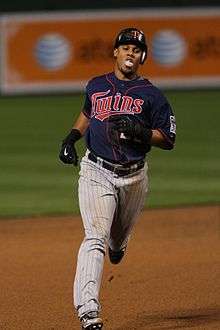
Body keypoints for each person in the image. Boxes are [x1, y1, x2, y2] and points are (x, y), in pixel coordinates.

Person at [59, 27, 176, 330]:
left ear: (143, 57)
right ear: (115, 52)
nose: (130, 53)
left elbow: (168, 137)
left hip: (134, 177)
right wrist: (72, 138)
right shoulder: (97, 84)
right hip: (96, 171)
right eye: (125, 47)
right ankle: (88, 310)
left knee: (116, 239)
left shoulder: (152, 95)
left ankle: (119, 243)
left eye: (136, 50)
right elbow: (88, 112)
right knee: (94, 236)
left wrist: (142, 133)